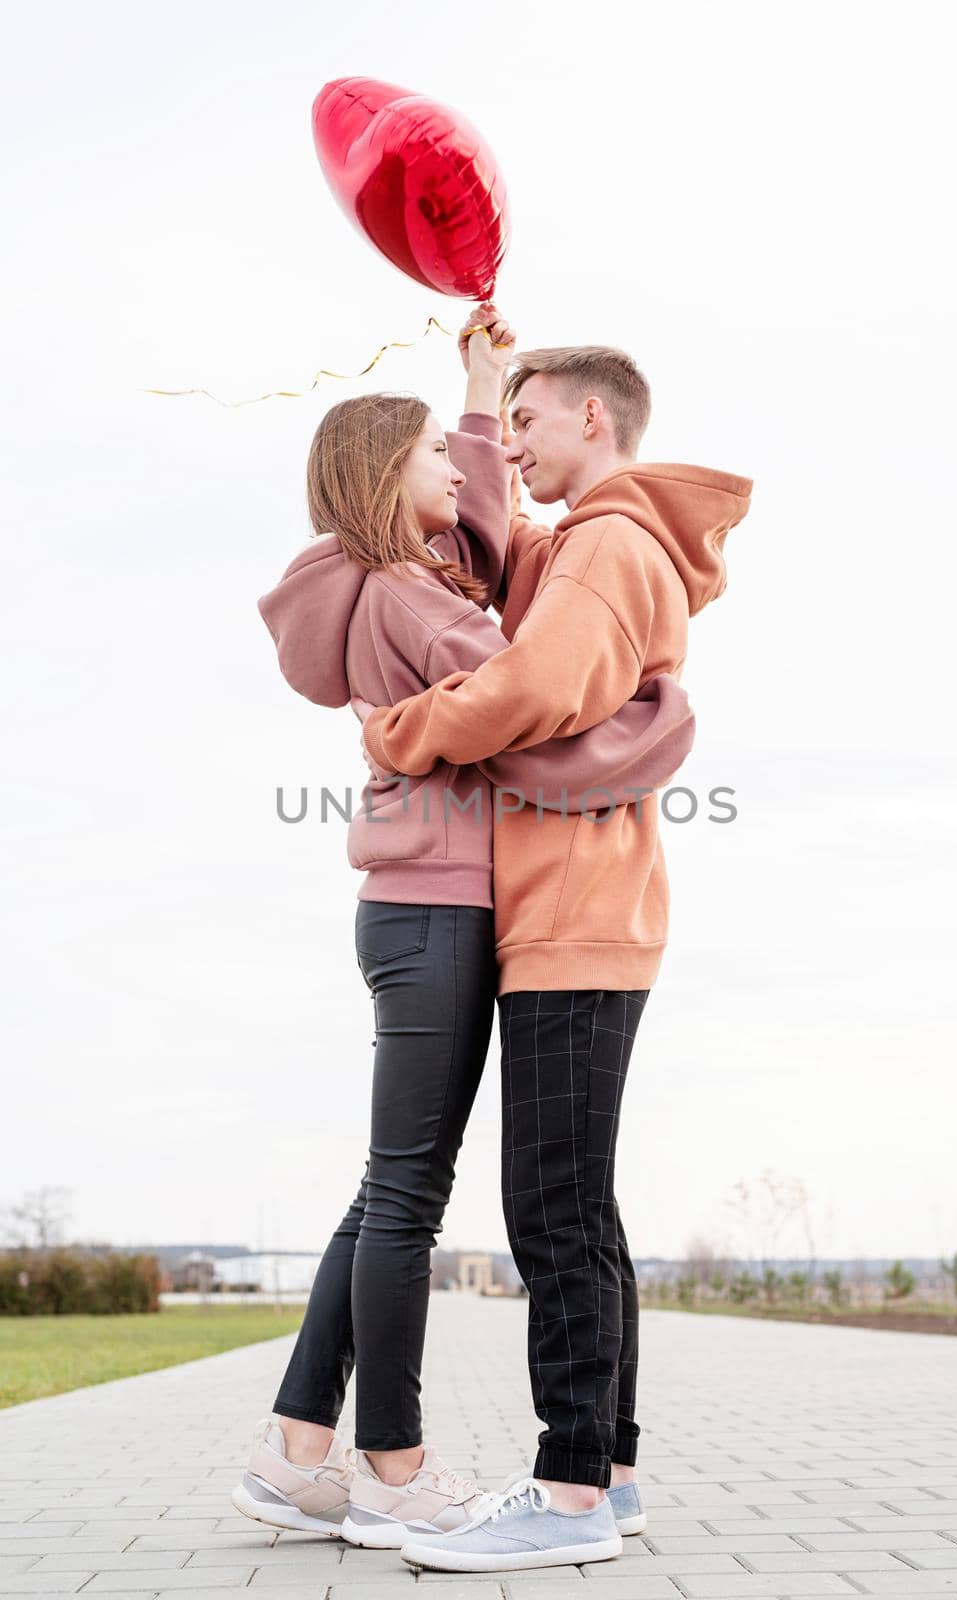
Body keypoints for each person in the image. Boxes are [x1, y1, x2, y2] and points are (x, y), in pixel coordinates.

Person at [230, 304, 697, 1557]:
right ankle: (396, 1466)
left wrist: (481, 395)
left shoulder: (416, 578)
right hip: (440, 908)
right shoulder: (426, 598)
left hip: (425, 906)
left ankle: (299, 1449)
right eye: (444, 449)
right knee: (421, 1199)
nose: (474, 461)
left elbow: (493, 565)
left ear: (586, 419)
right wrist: (661, 720)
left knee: (401, 1192)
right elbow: (527, 688)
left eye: (486, 440)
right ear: (396, 478)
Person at [354, 336, 754, 1574]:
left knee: (550, 1208)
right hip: (585, 910)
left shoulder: (603, 546)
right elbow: (481, 531)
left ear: (593, 417)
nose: (512, 443)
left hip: (572, 915)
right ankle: (612, 1473)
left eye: (529, 418)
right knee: (581, 1205)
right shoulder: (579, 543)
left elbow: (527, 685)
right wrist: (477, 390)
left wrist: (403, 728)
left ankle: (569, 1493)